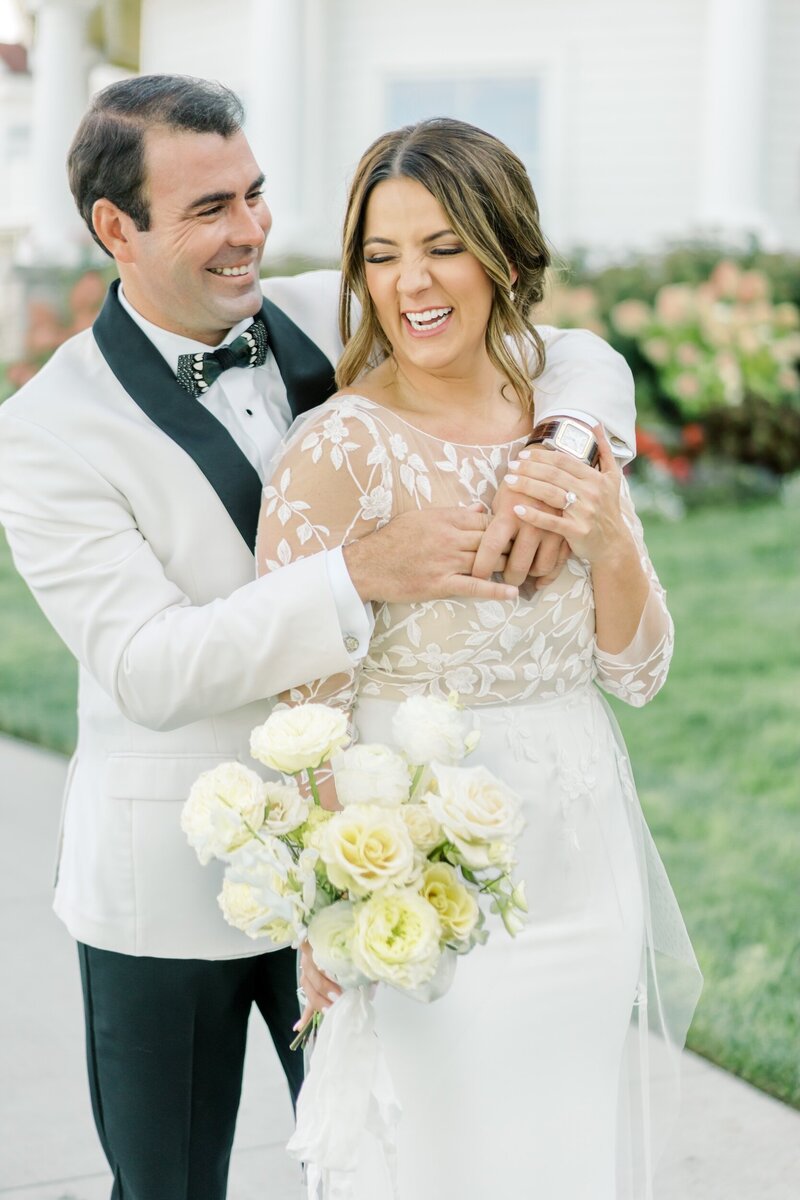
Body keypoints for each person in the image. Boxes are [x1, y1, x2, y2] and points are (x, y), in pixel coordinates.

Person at [0, 76, 636, 1200]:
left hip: (382, 852)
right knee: (170, 1189)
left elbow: (560, 343)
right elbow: (149, 669)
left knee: (387, 1161)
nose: (248, 231)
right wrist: (355, 574)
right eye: (208, 209)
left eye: (253, 195)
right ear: (116, 228)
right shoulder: (46, 432)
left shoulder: (310, 305)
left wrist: (570, 438)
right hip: (178, 877)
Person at [256, 117, 702, 1200]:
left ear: (503, 253)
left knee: (559, 1157)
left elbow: (639, 670)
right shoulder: (334, 450)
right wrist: (329, 903)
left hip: (581, 859)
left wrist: (602, 541)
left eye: (441, 245)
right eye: (380, 253)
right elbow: (293, 710)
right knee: (444, 1161)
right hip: (424, 877)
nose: (410, 281)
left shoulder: (564, 426)